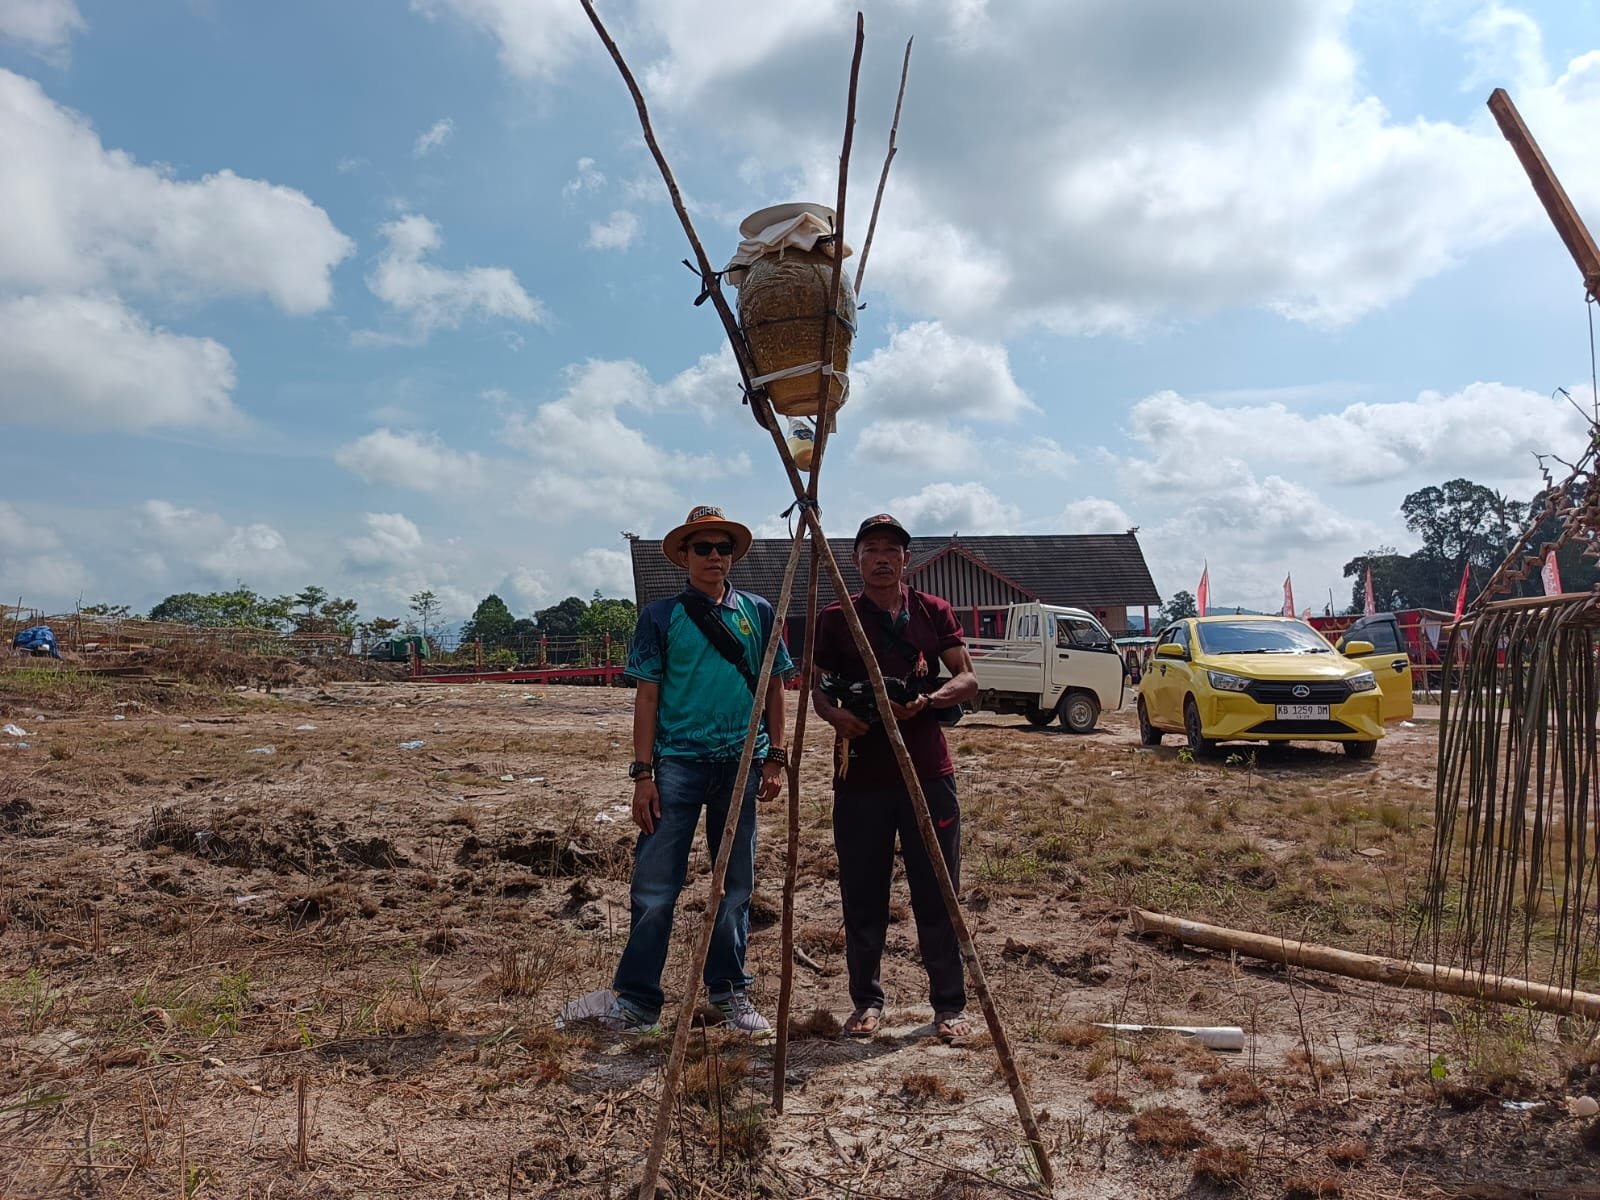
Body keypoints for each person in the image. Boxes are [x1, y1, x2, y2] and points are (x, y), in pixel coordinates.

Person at [601, 504, 794, 1036]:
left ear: (733, 555)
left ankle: (729, 993)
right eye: (703, 547)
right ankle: (638, 1000)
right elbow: (646, 697)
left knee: (734, 887)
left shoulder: (758, 612)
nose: (714, 556)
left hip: (740, 764)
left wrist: (775, 756)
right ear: (684, 555)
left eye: (722, 547)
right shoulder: (661, 617)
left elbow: (775, 685)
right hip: (677, 765)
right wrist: (643, 774)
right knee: (655, 887)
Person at [811, 514, 978, 1041]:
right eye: (871, 549)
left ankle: (950, 1005)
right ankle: (867, 1002)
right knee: (863, 892)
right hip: (860, 773)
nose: (881, 557)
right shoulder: (836, 617)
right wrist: (836, 715)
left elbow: (968, 677)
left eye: (891, 549)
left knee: (938, 888)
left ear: (906, 559)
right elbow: (814, 688)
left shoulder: (933, 612)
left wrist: (930, 699)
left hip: (927, 770)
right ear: (856, 559)